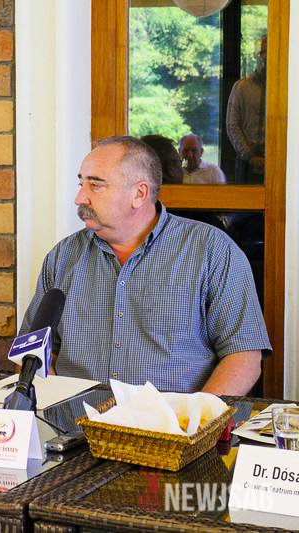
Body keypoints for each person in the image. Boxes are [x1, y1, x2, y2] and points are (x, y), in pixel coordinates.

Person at [19, 136, 270, 395]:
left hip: (176, 420)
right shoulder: (62, 257)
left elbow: (244, 357)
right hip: (76, 419)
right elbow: (31, 352)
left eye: (95, 185)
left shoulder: (212, 250)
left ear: (139, 194)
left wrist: (197, 416)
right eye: (81, 183)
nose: (80, 197)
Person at [227, 35, 267, 183]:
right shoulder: (242, 87)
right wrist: (250, 156)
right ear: (257, 56)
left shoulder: (287, 89)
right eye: (263, 52)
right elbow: (232, 125)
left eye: (270, 52)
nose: (266, 57)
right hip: (245, 164)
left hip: (279, 162)